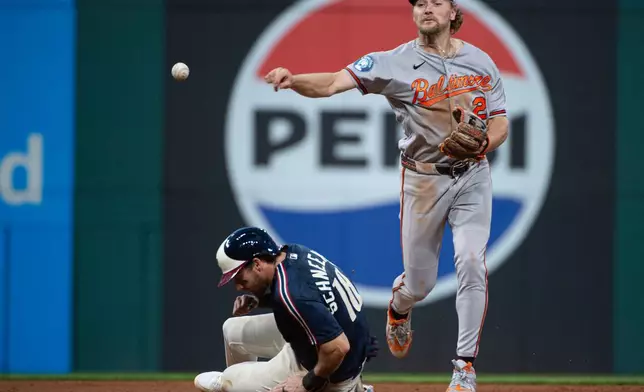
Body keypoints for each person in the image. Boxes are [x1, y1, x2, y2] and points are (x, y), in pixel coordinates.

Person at [263, 1, 510, 391]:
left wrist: (484, 144)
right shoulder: (391, 63)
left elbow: (500, 122)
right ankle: (401, 304)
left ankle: (464, 369)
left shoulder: (482, 62)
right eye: (420, 3)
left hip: (472, 176)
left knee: (471, 263)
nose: (426, 8)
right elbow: (331, 83)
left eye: (436, 2)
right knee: (421, 285)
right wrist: (294, 80)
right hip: (423, 180)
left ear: (452, 12)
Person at [194, 227, 378, 392]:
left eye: (240, 278)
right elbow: (312, 298)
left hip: (330, 369)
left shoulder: (292, 294)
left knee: (227, 380)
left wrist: (308, 382)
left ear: (257, 264)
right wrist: (260, 300)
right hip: (331, 346)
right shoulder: (293, 253)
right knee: (232, 330)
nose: (238, 287)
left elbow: (338, 347)